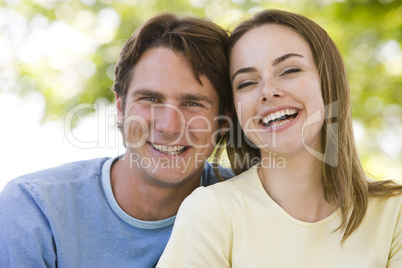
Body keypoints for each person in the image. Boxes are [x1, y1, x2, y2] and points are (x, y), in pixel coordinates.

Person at [157, 9, 402, 267]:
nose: (268, 91)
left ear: (328, 81)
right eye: (247, 83)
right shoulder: (212, 211)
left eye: (290, 70)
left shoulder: (393, 212)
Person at [0, 13, 234, 267]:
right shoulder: (35, 208)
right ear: (121, 109)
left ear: (222, 122)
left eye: (192, 103)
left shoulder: (249, 207)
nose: (169, 126)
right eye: (151, 99)